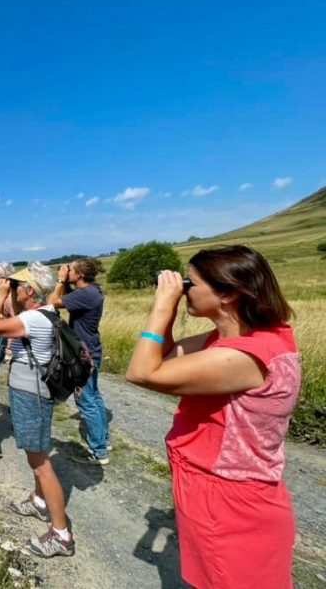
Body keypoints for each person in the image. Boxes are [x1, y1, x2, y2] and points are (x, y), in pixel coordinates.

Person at [125, 245, 300, 589]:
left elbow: (142, 372)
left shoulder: (247, 356)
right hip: (213, 488)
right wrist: (172, 311)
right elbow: (167, 358)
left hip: (231, 502)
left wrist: (162, 305)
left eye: (191, 284)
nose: (183, 290)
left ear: (229, 293)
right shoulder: (228, 340)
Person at [0, 261, 75, 558]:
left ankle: (61, 534)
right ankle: (38, 500)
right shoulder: (43, 313)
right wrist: (9, 293)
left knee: (40, 463)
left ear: (29, 290)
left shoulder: (34, 319)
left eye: (17, 286)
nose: (11, 290)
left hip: (31, 395)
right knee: (36, 455)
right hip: (32, 392)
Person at [48, 259, 110, 465]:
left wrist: (60, 280)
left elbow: (51, 302)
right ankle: (103, 440)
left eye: (70, 270)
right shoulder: (92, 291)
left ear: (80, 274)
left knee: (85, 400)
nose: (67, 272)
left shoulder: (85, 294)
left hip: (83, 355)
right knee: (95, 396)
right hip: (91, 349)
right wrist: (66, 280)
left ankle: (98, 451)